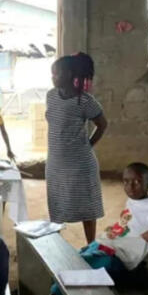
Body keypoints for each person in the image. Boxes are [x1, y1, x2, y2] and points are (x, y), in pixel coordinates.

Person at [34, 163, 148, 295]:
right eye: (126, 181)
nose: (130, 187)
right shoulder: (133, 200)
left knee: (82, 268)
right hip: (105, 246)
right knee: (70, 260)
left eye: (137, 182)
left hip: (120, 260)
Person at [45, 53, 108, 243]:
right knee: (56, 203)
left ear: (70, 74)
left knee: (86, 207)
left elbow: (102, 124)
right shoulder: (51, 96)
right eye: (52, 74)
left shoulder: (84, 101)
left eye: (56, 74)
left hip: (80, 164)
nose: (53, 78)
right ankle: (56, 245)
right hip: (55, 162)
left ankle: (91, 245)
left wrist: (88, 144)